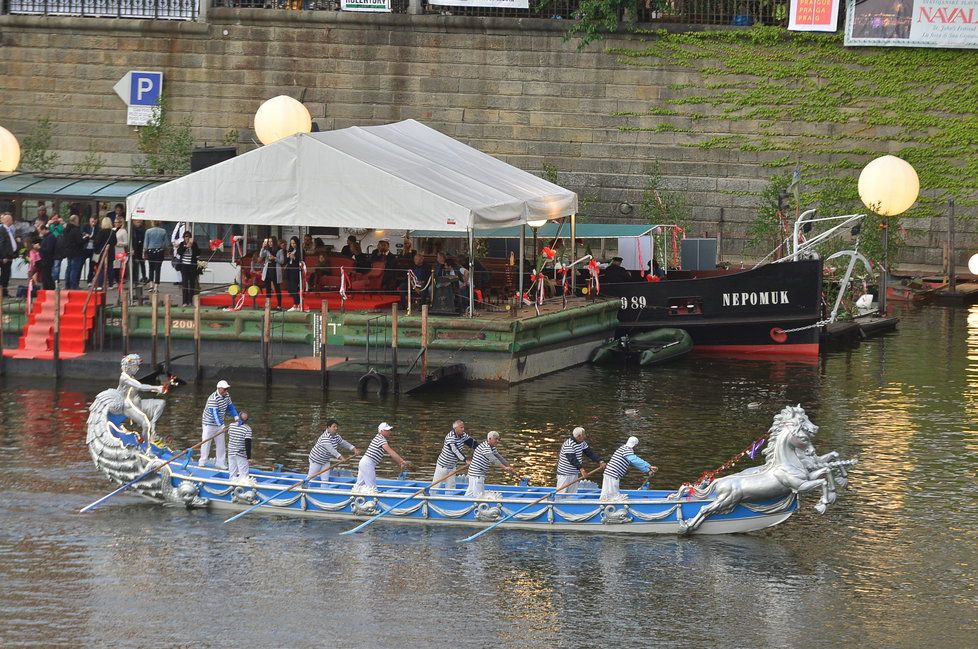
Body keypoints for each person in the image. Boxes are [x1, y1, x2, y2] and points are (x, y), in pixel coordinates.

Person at [116, 353, 166, 443]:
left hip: (138, 404)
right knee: (145, 424)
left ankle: (153, 427)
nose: (138, 368)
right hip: (128, 408)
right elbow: (140, 387)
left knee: (161, 403)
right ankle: (147, 447)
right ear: (129, 366)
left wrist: (156, 391)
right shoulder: (124, 378)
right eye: (136, 366)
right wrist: (156, 387)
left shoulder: (131, 377)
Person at [352, 422, 408, 493]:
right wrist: (401, 461)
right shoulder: (380, 439)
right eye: (387, 430)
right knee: (372, 489)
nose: (389, 432)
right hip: (367, 464)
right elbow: (390, 451)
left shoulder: (379, 437)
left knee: (358, 486)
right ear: (381, 431)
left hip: (364, 462)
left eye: (389, 430)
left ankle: (356, 497)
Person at [199, 379, 240, 470]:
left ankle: (220, 463)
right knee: (206, 442)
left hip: (220, 423)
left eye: (227, 389)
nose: (226, 391)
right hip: (208, 424)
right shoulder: (213, 398)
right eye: (224, 389)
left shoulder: (227, 396)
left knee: (221, 444)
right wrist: (222, 426)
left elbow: (230, 407)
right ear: (219, 388)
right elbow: (215, 414)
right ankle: (202, 461)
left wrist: (236, 416)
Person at [601, 436, 657, 500]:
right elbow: (634, 460)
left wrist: (647, 470)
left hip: (608, 473)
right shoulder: (627, 450)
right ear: (635, 445)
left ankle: (603, 502)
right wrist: (649, 466)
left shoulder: (622, 448)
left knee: (606, 494)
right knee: (614, 497)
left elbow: (633, 462)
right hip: (613, 474)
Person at [465, 431, 518, 498]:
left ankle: (459, 503)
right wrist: (504, 468)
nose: (497, 441)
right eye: (496, 439)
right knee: (479, 495)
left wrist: (509, 467)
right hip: (476, 474)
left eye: (498, 439)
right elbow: (493, 459)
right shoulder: (485, 447)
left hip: (477, 474)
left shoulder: (492, 447)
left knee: (471, 492)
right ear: (489, 439)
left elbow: (499, 457)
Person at [555, 427, 605, 496]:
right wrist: (582, 469)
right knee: (561, 494)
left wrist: (600, 461)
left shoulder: (582, 443)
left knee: (572, 495)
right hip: (564, 474)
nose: (585, 436)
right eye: (584, 434)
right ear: (579, 436)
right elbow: (572, 459)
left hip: (574, 473)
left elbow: (590, 453)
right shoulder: (568, 445)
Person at [307, 418, 359, 484]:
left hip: (325, 461)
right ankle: (305, 491)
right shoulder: (325, 437)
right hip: (316, 460)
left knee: (325, 480)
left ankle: (324, 492)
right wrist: (341, 457)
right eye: (334, 426)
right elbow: (331, 450)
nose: (336, 428)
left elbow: (343, 443)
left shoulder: (336, 436)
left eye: (336, 426)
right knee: (311, 479)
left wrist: (354, 449)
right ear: (328, 427)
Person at [432, 419, 478, 491]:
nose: (463, 429)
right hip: (442, 466)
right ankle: (429, 500)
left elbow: (472, 443)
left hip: (452, 467)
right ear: (455, 428)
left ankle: (449, 500)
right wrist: (465, 460)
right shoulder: (450, 438)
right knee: (435, 486)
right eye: (461, 428)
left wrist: (480, 449)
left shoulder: (463, 435)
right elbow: (455, 451)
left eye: (463, 427)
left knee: (451, 487)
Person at [227, 412, 254, 485]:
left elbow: (230, 435)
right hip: (241, 454)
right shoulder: (247, 429)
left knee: (232, 474)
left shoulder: (231, 425)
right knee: (243, 475)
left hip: (231, 452)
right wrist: (249, 457)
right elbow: (247, 443)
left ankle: (232, 486)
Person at [91, 216, 116, 289]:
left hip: (101, 253)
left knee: (101, 269)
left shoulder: (101, 232)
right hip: (110, 252)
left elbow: (96, 243)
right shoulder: (112, 232)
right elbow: (115, 242)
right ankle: (111, 284)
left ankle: (100, 285)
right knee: (110, 268)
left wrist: (96, 250)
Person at [61, 215, 85, 290]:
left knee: (69, 268)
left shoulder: (65, 230)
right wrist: (86, 238)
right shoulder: (76, 230)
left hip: (68, 251)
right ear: (75, 221)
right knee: (74, 269)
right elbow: (79, 241)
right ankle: (73, 285)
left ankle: (67, 285)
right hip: (76, 252)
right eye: (77, 220)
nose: (78, 221)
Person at [175, 231, 199, 306]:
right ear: (183, 237)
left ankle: (190, 301)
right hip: (184, 266)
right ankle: (184, 301)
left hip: (192, 266)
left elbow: (198, 253)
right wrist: (186, 247)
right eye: (185, 236)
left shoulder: (194, 244)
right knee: (185, 284)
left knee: (192, 284)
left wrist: (191, 246)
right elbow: (179, 252)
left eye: (188, 236)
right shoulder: (182, 244)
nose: (187, 238)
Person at [143, 221, 168, 291]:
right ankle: (156, 286)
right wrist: (161, 247)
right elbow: (166, 243)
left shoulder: (148, 231)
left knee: (151, 268)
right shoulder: (163, 231)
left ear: (152, 223)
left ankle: (151, 285)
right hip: (159, 251)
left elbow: (146, 243)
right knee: (158, 269)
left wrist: (144, 251)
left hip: (150, 251)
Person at [260, 237, 284, 309]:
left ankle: (279, 305)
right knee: (268, 288)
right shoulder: (267, 250)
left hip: (275, 271)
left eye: (271, 242)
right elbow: (261, 256)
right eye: (269, 242)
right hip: (268, 270)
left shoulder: (280, 250)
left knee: (277, 288)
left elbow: (282, 261)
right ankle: (268, 304)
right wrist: (262, 248)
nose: (270, 243)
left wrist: (274, 258)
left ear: (274, 242)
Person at [0, 212, 17, 297]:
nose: (12, 221)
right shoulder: (2, 230)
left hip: (9, 256)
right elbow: (2, 244)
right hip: (5, 257)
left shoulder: (9, 229)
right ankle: (3, 293)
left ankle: (4, 292)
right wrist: (4, 257)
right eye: (11, 219)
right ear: (8, 220)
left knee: (6, 275)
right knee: (4, 275)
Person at [284, 236, 302, 310]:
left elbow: (300, 260)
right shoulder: (290, 250)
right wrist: (288, 257)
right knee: (291, 287)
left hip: (296, 270)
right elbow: (285, 261)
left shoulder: (299, 251)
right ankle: (296, 303)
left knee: (294, 288)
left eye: (294, 243)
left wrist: (294, 257)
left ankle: (296, 304)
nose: (292, 245)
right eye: (291, 243)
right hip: (289, 270)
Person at [38, 224, 57, 290]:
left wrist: (40, 248)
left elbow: (49, 249)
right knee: (44, 276)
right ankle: (46, 289)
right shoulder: (46, 237)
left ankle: (51, 289)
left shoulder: (50, 237)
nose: (40, 233)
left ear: (44, 229)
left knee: (47, 276)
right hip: (44, 259)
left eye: (40, 231)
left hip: (48, 259)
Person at [113, 215, 129, 286]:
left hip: (120, 250)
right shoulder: (112, 230)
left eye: (117, 222)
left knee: (120, 266)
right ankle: (115, 281)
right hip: (113, 250)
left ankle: (120, 280)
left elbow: (126, 242)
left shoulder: (123, 231)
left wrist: (118, 243)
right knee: (114, 266)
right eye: (115, 222)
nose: (116, 223)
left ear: (120, 223)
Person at [82, 215, 99, 283]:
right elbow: (83, 233)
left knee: (92, 266)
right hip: (85, 248)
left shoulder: (98, 228)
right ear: (89, 221)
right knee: (80, 264)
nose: (93, 223)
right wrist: (88, 236)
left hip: (93, 249)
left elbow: (97, 237)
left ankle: (89, 281)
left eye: (94, 222)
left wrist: (91, 238)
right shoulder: (85, 226)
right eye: (92, 221)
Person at [131, 219, 146, 284]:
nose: (138, 223)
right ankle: (135, 279)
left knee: (142, 264)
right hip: (134, 249)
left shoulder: (144, 230)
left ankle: (144, 278)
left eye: (139, 222)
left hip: (141, 249)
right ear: (133, 222)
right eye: (137, 221)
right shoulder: (131, 230)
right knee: (134, 265)